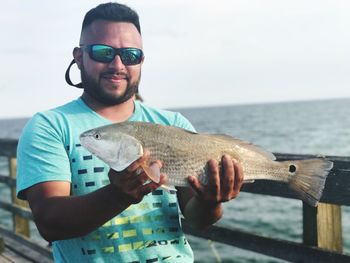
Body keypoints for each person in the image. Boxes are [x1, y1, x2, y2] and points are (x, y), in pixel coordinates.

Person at [16, 2, 244, 262]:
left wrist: (210, 201)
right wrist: (117, 195)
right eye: (103, 52)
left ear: (141, 61)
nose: (117, 64)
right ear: (79, 57)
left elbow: (197, 219)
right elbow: (50, 223)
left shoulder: (173, 122)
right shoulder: (50, 126)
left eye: (130, 55)